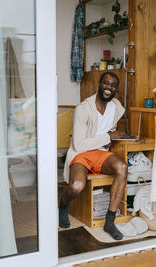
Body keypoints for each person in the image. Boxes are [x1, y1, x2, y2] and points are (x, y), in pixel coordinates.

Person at [59, 72, 127, 240]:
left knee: (122, 167)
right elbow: (79, 144)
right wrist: (108, 137)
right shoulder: (83, 109)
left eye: (113, 85)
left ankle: (109, 221)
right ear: (99, 83)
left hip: (101, 153)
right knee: (76, 186)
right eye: (106, 83)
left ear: (116, 89)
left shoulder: (116, 107)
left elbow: (111, 130)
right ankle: (63, 205)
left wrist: (114, 137)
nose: (108, 88)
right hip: (81, 154)